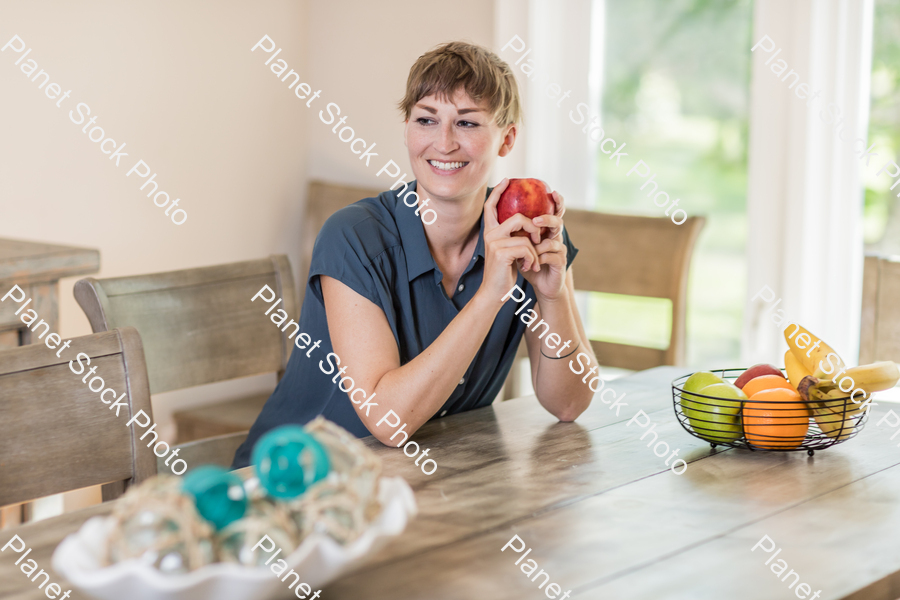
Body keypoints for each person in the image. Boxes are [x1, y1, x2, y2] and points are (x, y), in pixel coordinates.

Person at [232, 41, 597, 469]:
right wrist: (489, 295)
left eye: (467, 123)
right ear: (407, 128)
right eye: (426, 119)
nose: (444, 143)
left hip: (422, 483)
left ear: (506, 138)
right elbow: (388, 422)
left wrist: (554, 299)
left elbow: (568, 405)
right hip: (296, 490)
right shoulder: (352, 236)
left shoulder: (524, 232)